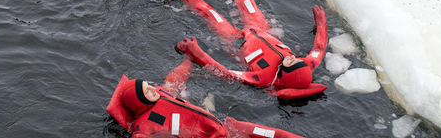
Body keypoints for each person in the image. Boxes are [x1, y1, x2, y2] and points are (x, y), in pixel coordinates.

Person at [166, 0, 328, 100]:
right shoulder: (306, 65)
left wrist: (196, 52)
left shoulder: (262, 78)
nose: (293, 57)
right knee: (246, 0)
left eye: (291, 61)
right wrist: (321, 23)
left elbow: (224, 73)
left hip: (236, 41)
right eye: (296, 58)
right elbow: (318, 49)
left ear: (283, 73)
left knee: (210, 13)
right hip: (262, 30)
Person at [107, 59, 312, 138]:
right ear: (140, 101)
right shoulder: (143, 127)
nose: (152, 88)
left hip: (227, 127)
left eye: (149, 85)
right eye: (147, 90)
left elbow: (174, 80)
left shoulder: (161, 93)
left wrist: (189, 62)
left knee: (269, 134)